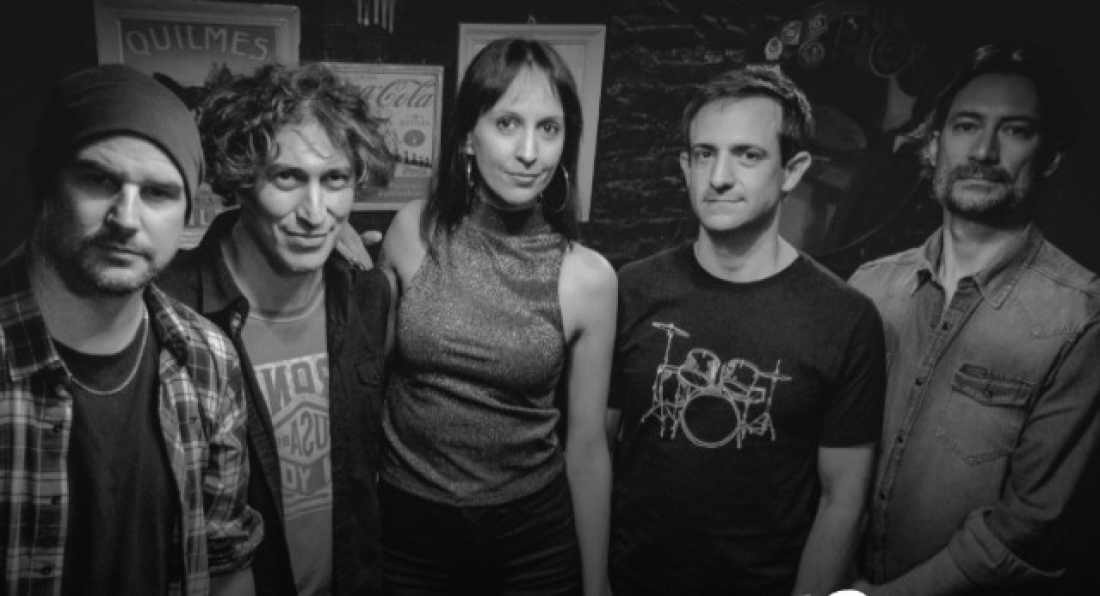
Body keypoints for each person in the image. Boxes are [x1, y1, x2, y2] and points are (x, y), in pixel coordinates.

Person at [605, 63, 886, 596]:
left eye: (748, 155)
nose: (719, 177)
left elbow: (843, 501)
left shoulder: (845, 318)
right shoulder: (632, 290)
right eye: (704, 154)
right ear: (685, 165)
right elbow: (594, 452)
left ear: (793, 170)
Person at [848, 42, 1100, 595]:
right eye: (966, 125)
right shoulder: (868, 288)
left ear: (1050, 156)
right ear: (934, 143)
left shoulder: (1081, 319)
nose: (983, 151)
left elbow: (1029, 529)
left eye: (1015, 130)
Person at [0, 64, 261, 595]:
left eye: (158, 193)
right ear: (47, 184)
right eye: (98, 180)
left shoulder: (208, 358)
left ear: (186, 214)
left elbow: (226, 563)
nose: (126, 217)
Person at [377, 38, 616, 596]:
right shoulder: (414, 231)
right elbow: (364, 385)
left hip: (531, 539)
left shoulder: (588, 278)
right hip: (409, 534)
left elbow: (586, 448)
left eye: (549, 129)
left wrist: (596, 581)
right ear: (468, 135)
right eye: (507, 123)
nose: (529, 151)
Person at [157, 62, 395, 596]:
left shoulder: (367, 297)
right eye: (287, 177)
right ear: (241, 180)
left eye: (334, 179)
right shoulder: (172, 312)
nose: (315, 212)